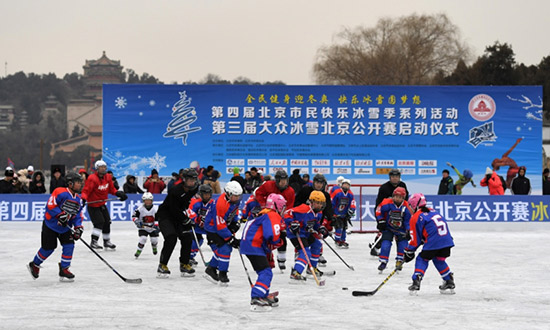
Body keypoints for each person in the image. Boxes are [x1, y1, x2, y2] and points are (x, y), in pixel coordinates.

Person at [27, 172, 84, 282]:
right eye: (78, 182)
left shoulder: (78, 199)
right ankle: (34, 264)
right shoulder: (59, 191)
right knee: (48, 248)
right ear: (70, 184)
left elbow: (77, 215)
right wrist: (59, 215)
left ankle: (64, 268)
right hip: (51, 225)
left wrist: (78, 227)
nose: (80, 184)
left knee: (69, 245)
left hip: (65, 227)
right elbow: (50, 205)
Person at [240, 193, 287, 311]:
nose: (283, 209)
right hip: (253, 245)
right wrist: (280, 238)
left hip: (252, 244)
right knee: (266, 272)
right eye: (282, 206)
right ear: (276, 205)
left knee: (265, 270)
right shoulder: (273, 215)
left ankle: (263, 294)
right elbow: (270, 234)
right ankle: (257, 296)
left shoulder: (264, 213)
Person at [405, 193, 455, 294]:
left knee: (422, 258)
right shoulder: (433, 211)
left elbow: (415, 241)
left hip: (434, 242)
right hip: (447, 241)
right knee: (438, 259)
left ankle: (417, 279)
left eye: (410, 205)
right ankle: (448, 280)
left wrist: (409, 251)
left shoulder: (416, 217)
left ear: (414, 205)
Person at [156, 168, 199, 278]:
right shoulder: (175, 190)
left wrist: (187, 216)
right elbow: (173, 209)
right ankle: (162, 265)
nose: (192, 182)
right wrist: (185, 219)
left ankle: (184, 264)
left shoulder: (193, 189)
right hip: (166, 216)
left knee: (187, 237)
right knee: (171, 238)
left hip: (178, 216)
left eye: (194, 179)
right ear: (184, 179)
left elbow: (184, 205)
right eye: (190, 179)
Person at [81, 160, 128, 250]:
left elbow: (111, 189)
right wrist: (83, 199)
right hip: (93, 205)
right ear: (97, 168)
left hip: (102, 203)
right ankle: (94, 241)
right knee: (99, 222)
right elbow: (86, 191)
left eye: (104, 167)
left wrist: (118, 193)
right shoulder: (92, 178)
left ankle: (106, 241)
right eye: (101, 167)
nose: (103, 169)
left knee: (107, 222)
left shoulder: (108, 177)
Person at [255, 170, 296, 271]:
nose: (284, 183)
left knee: (282, 236)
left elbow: (289, 207)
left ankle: (281, 259)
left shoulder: (290, 191)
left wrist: (285, 218)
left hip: (280, 217)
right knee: (266, 238)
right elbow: (258, 193)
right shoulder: (268, 185)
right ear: (277, 180)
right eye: (281, 180)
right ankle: (267, 259)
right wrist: (263, 204)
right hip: (268, 215)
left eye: (285, 180)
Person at [203, 181, 243, 285]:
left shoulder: (234, 201)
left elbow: (234, 212)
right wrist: (230, 239)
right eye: (235, 196)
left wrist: (235, 222)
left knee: (224, 248)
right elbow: (219, 226)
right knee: (226, 248)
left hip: (223, 224)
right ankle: (222, 273)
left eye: (239, 195)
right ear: (228, 194)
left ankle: (211, 269)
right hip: (212, 228)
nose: (238, 198)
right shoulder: (220, 204)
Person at [285, 191, 326, 282]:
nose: (319, 205)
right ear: (311, 202)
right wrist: (292, 223)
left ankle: (312, 268)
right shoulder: (303, 209)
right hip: (296, 234)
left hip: (306, 233)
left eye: (321, 203)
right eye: (317, 203)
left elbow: (316, 225)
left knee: (317, 244)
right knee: (305, 252)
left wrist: (320, 229)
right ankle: (296, 272)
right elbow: (287, 213)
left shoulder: (319, 213)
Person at [370, 169, 409, 256]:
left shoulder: (403, 185)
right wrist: (380, 220)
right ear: (390, 177)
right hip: (386, 215)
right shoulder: (384, 188)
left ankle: (400, 253)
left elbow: (405, 201)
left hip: (399, 214)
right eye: (393, 177)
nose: (395, 178)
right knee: (385, 232)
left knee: (400, 234)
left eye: (397, 177)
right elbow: (379, 204)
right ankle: (376, 247)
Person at [375, 187, 411, 272]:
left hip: (401, 229)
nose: (397, 198)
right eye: (395, 196)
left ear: (403, 198)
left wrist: (408, 230)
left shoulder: (407, 207)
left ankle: (399, 260)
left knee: (403, 244)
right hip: (389, 228)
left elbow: (408, 220)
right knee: (386, 244)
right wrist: (381, 221)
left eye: (400, 197)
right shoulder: (386, 202)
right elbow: (378, 211)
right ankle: (383, 262)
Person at [188, 184, 215, 265]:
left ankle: (218, 257)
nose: (207, 196)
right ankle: (189, 257)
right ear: (201, 194)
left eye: (208, 194)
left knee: (214, 242)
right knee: (196, 241)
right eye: (205, 194)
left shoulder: (214, 203)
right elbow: (190, 212)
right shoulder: (196, 203)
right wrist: (195, 219)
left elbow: (216, 214)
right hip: (197, 226)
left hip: (209, 227)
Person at [132, 192, 160, 258]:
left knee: (154, 240)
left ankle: (154, 246)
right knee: (143, 239)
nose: (148, 202)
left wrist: (157, 225)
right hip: (143, 227)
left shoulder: (155, 209)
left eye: (149, 200)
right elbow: (134, 216)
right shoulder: (139, 209)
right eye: (146, 201)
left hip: (152, 227)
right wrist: (137, 222)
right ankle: (138, 251)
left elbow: (158, 218)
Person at [331, 178, 356, 248]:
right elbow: (332, 202)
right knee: (338, 227)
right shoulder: (337, 192)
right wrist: (331, 212)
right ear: (342, 185)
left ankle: (343, 240)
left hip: (344, 214)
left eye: (348, 185)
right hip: (336, 214)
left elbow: (352, 203)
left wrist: (352, 209)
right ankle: (337, 240)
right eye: (345, 184)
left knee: (344, 228)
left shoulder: (350, 194)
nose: (346, 186)